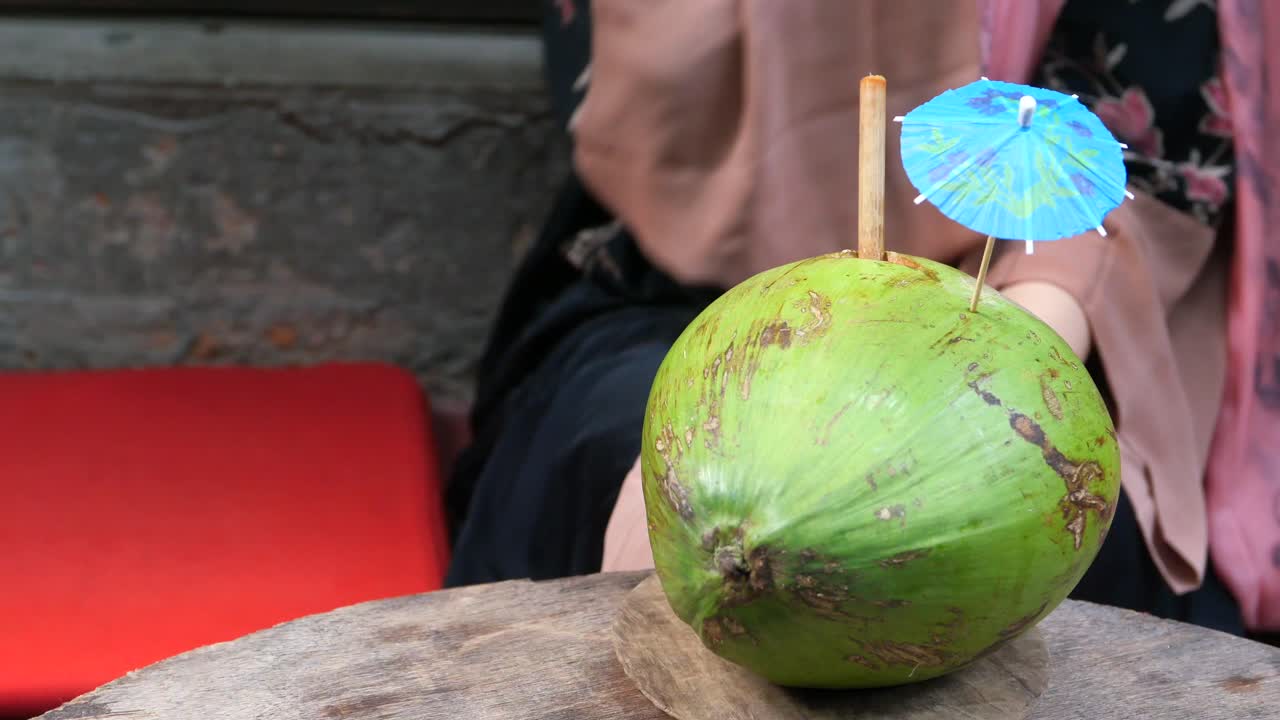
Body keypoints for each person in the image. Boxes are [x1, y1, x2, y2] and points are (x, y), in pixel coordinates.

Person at [445, 0, 1280, 638]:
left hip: (1030, 301)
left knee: (1039, 522)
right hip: (685, 280)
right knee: (630, 457)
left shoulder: (1029, 304)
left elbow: (1128, 156)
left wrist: (981, 382)